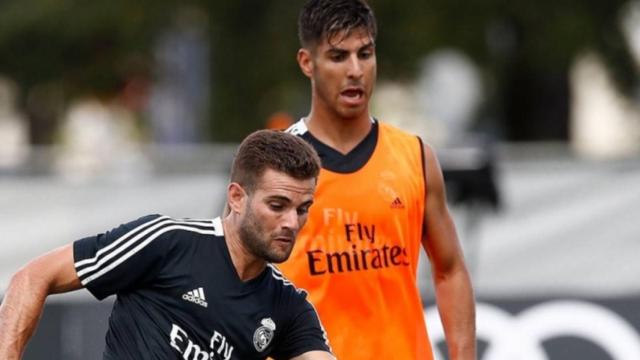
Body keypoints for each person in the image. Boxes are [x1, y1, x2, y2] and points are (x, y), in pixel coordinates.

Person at [0, 130, 335, 360]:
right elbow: (32, 277)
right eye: (277, 205)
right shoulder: (167, 242)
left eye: (302, 209)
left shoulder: (289, 307)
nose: (292, 222)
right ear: (236, 197)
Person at [277, 0, 477, 359]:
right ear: (308, 63)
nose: (355, 70)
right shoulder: (274, 166)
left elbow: (450, 271)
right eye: (338, 57)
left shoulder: (415, 158)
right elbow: (236, 284)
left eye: (365, 54)